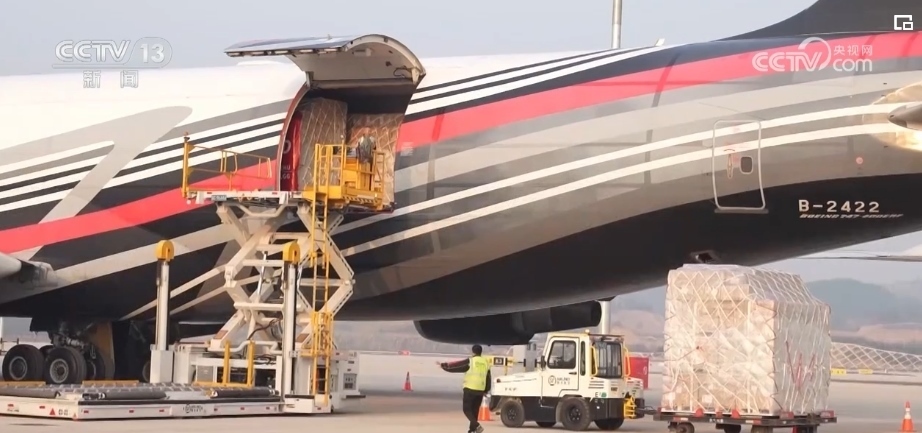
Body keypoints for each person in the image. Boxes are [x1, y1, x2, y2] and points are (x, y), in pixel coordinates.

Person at [440, 344, 492, 433]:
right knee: (475, 411)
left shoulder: (471, 361)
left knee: (466, 409)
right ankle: (472, 430)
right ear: (480, 352)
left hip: (470, 388)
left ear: (473, 352)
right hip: (480, 390)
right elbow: (488, 377)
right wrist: (486, 390)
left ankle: (477, 425)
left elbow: (457, 367)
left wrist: (445, 366)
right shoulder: (485, 362)